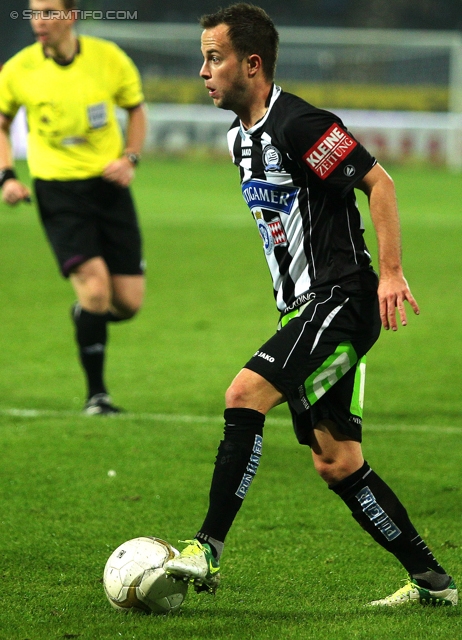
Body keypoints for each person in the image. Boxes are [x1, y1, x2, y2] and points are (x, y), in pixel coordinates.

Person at [164, 3, 458, 607]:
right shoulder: (237, 140)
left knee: (243, 394)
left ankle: (206, 548)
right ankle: (435, 584)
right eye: (202, 58)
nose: (203, 71)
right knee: (338, 461)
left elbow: (379, 182)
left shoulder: (302, 125)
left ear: (252, 63)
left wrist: (391, 273)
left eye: (214, 58)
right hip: (303, 312)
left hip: (340, 300)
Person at [0, 0, 147, 414]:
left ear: (71, 15)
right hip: (57, 191)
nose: (37, 22)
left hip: (108, 188)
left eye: (48, 12)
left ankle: (86, 315)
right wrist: (7, 175)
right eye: (33, 12)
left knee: (128, 303)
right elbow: (2, 123)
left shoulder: (109, 58)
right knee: (97, 289)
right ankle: (97, 395)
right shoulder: (17, 69)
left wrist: (130, 157)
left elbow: (135, 110)